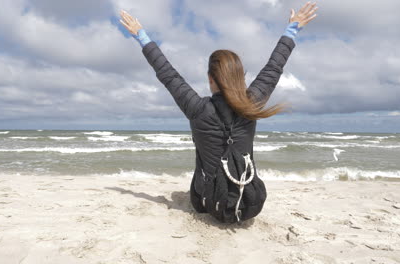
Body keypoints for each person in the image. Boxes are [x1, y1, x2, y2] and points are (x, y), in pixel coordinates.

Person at [120, 2, 318, 222]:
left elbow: (167, 73)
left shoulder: (197, 108)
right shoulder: (252, 103)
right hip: (251, 203)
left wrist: (141, 35)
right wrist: (292, 29)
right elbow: (274, 67)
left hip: (207, 204)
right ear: (239, 77)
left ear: (210, 78)